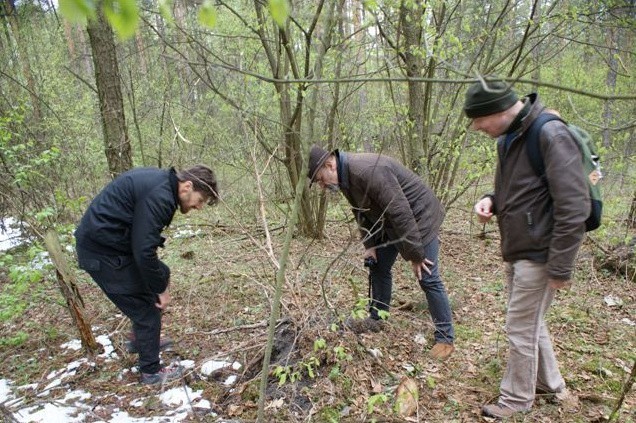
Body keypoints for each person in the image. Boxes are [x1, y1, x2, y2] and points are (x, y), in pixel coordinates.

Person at [465, 78, 587, 418]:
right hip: (520, 249)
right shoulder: (509, 138)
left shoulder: (549, 134)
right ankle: (551, 384)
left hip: (542, 252)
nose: (476, 127)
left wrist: (561, 266)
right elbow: (512, 189)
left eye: (479, 119)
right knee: (531, 322)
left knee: (520, 328)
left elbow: (574, 206)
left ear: (501, 110)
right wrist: (491, 200)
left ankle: (516, 402)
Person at [308, 145, 455, 360]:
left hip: (419, 218)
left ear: (330, 165)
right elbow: (360, 212)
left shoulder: (367, 170)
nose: (321, 186)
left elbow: (400, 210)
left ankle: (445, 339)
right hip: (392, 224)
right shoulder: (346, 177)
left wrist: (416, 254)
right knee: (378, 267)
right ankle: (377, 318)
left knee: (427, 276)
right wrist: (370, 246)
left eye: (320, 179)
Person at [75, 165, 218, 385]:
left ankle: (139, 339)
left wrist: (160, 282)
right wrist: (160, 289)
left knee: (162, 273)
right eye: (199, 200)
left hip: (110, 246)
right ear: (187, 187)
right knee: (147, 311)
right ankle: (151, 372)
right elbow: (143, 251)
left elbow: (141, 244)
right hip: (101, 253)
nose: (198, 207)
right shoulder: (160, 197)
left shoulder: (161, 186)